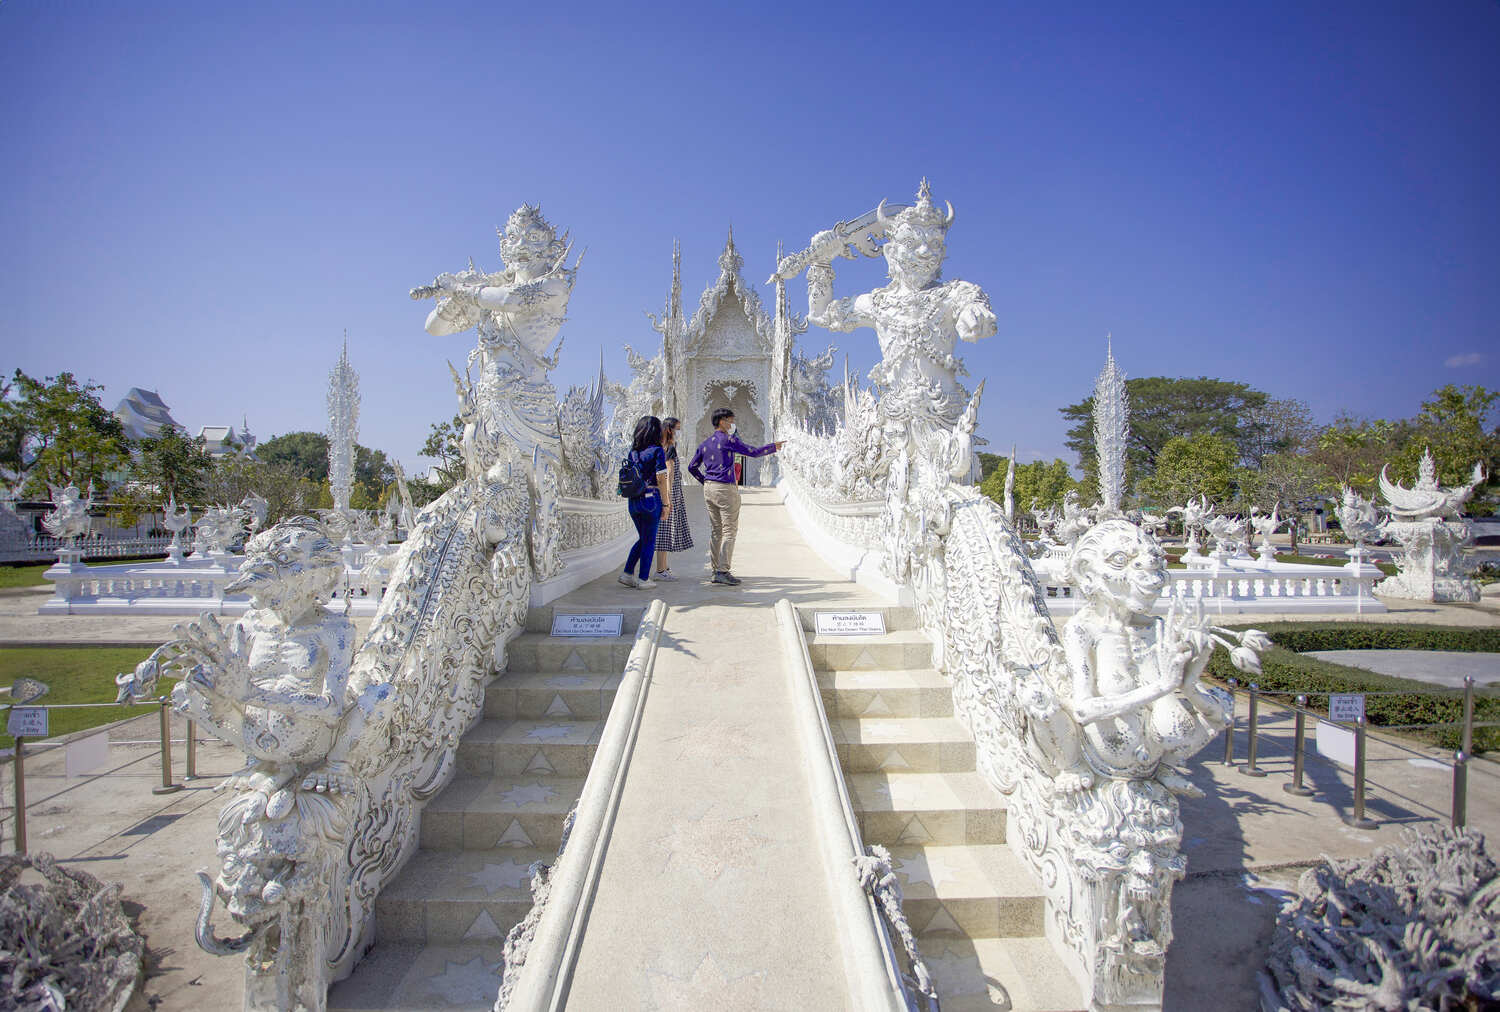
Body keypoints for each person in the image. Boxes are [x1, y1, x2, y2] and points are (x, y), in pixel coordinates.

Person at [687, 409, 783, 585]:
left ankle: (716, 569)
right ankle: (723, 570)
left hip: (709, 489)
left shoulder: (705, 443)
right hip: (725, 488)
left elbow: (692, 467)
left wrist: (706, 480)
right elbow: (752, 452)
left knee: (716, 531)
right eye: (730, 421)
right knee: (729, 530)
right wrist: (773, 447)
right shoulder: (728, 440)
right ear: (722, 422)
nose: (732, 425)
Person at [620, 415, 669, 589]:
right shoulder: (657, 450)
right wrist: (666, 504)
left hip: (633, 501)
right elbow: (661, 478)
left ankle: (627, 574)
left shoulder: (632, 452)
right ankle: (643, 579)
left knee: (643, 538)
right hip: (651, 499)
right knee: (649, 541)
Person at [653, 417, 693, 581]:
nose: (678, 433)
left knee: (664, 530)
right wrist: (668, 496)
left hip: (666, 492)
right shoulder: (669, 447)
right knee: (665, 531)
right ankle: (660, 570)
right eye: (677, 429)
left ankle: (664, 567)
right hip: (669, 493)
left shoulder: (659, 447)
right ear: (669, 429)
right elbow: (669, 471)